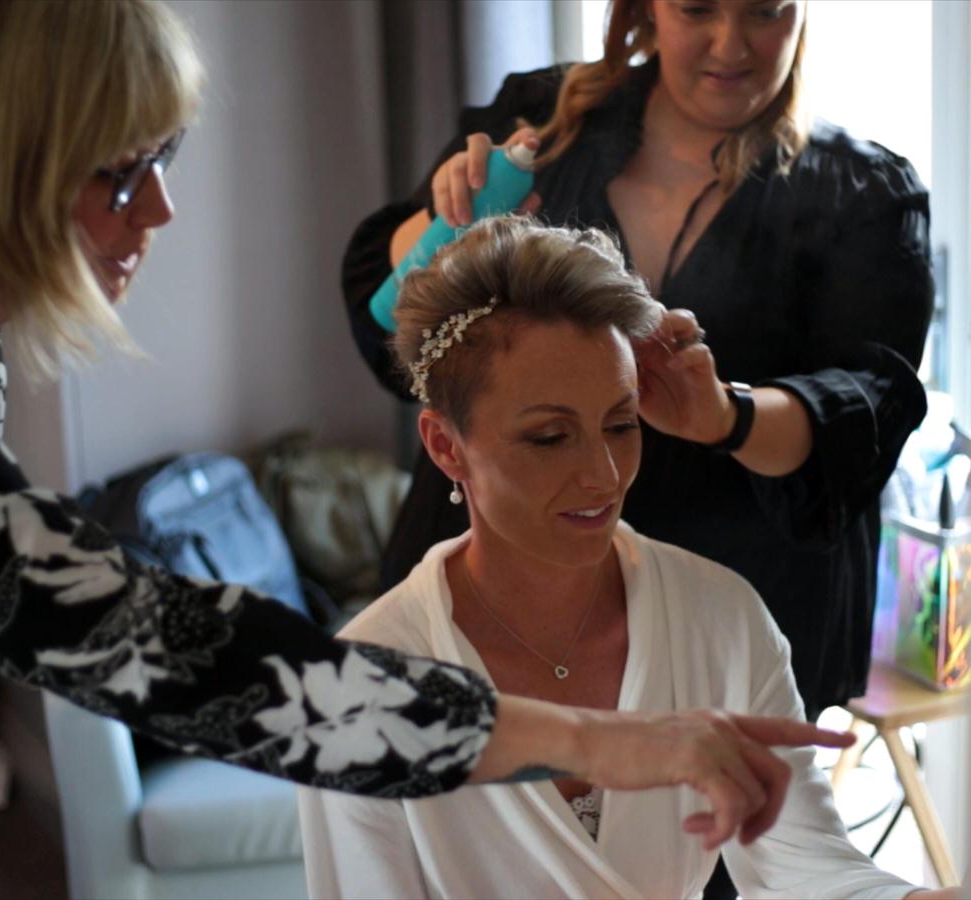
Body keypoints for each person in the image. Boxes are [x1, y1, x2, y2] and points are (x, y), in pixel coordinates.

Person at [0, 4, 857, 898]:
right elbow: (177, 658)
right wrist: (612, 746)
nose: (159, 209)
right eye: (118, 172)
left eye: (164, 156)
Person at [302, 215, 944, 899]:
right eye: (550, 437)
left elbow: (807, 869)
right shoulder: (364, 682)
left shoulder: (719, 618)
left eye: (620, 424)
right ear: (445, 446)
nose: (604, 476)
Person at [343, 0, 932, 722]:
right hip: (496, 596)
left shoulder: (864, 196)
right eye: (697, 8)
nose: (730, 43)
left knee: (704, 826)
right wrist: (444, 227)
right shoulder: (541, 124)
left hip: (733, 599)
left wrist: (726, 417)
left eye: (765, 11)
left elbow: (867, 413)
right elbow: (393, 336)